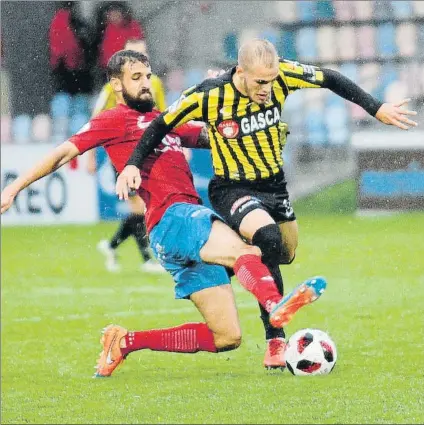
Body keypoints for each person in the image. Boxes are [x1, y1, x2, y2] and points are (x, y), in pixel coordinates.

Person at [0, 49, 326, 378]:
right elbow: (61, 154)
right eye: (136, 78)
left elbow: (220, 134)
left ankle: (124, 342)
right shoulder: (113, 120)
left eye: (148, 75)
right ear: (116, 84)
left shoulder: (165, 120)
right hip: (174, 218)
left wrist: (236, 108)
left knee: (227, 337)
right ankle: (274, 305)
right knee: (246, 250)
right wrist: (15, 187)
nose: (146, 83)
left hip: (174, 235)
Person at [116, 38, 418, 371]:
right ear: (241, 72)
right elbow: (161, 124)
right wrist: (132, 164)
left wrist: (376, 108)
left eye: (271, 81)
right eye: (260, 82)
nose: (267, 88)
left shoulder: (283, 74)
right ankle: (275, 337)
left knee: (283, 253)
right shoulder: (209, 95)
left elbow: (330, 78)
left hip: (274, 186)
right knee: (268, 239)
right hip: (232, 187)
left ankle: (236, 265)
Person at [87, 38, 167, 273]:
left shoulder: (156, 84)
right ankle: (146, 259)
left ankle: (112, 246)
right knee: (140, 206)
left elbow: (162, 117)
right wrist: (90, 156)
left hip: (147, 155)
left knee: (142, 207)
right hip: (123, 156)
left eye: (143, 55)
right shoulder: (113, 87)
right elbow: (95, 120)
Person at [48, 1, 93, 95]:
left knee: (65, 96)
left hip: (64, 67)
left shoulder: (58, 21)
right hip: (73, 67)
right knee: (78, 97)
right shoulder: (73, 22)